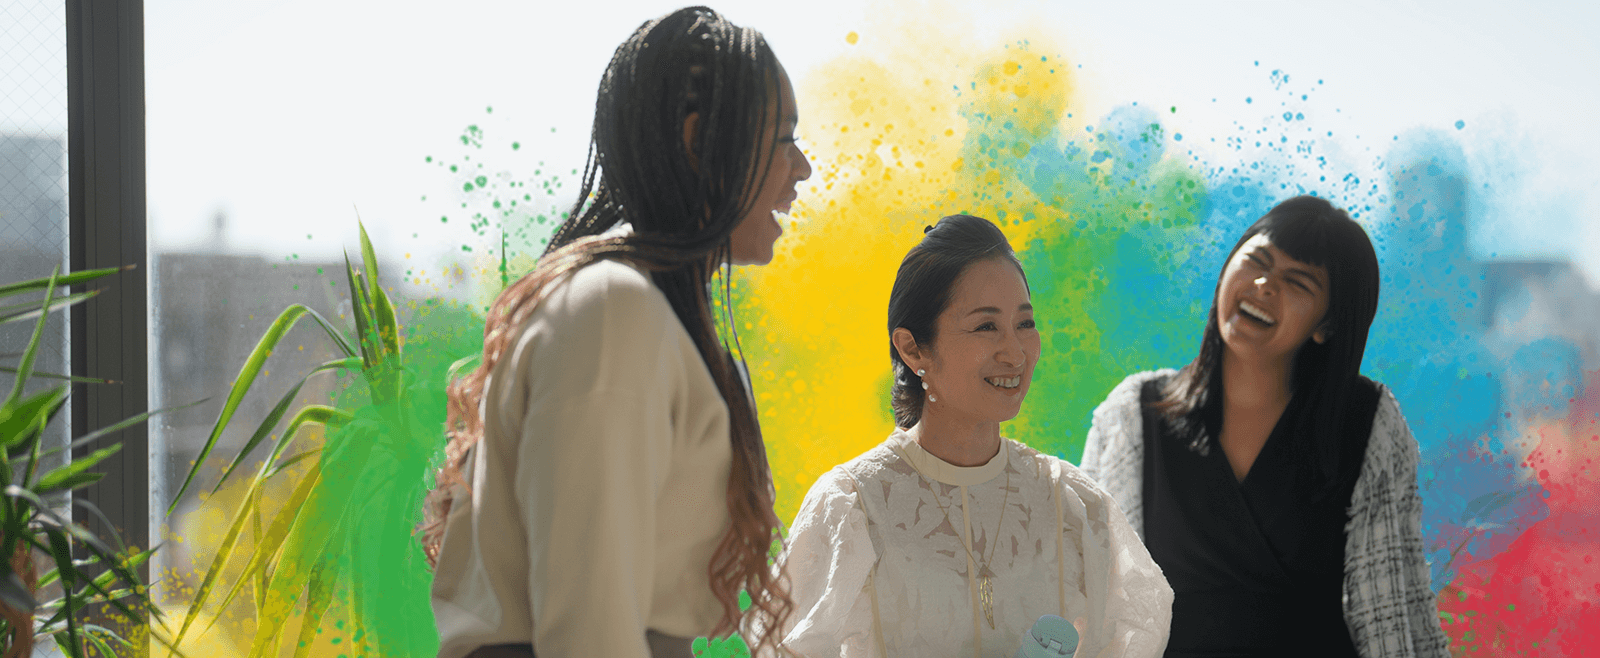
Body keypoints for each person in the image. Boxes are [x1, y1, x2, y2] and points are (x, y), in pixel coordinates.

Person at [420, 7, 813, 658]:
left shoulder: (633, 309)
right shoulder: (613, 313)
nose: (802, 168)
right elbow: (586, 631)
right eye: (784, 138)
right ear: (696, 139)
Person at [774, 215, 1172, 658]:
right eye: (986, 327)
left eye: (1025, 324)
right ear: (913, 348)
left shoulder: (1070, 504)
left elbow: (1132, 634)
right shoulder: (852, 506)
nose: (1015, 352)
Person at [1079, 196, 1452, 657]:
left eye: (1297, 282)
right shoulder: (1133, 415)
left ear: (1327, 324)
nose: (1263, 285)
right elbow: (1091, 596)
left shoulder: (1367, 423)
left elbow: (1393, 611)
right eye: (1257, 261)